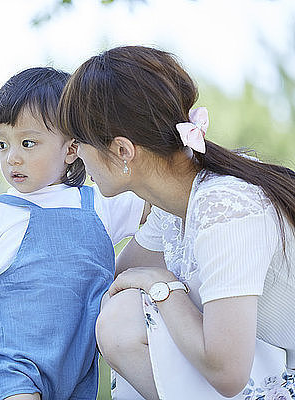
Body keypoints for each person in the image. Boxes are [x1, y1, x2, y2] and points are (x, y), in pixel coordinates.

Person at [55, 45, 295, 400]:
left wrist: (162, 287)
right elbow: (103, 287)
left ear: (122, 151)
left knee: (124, 320)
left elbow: (228, 372)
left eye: (78, 142)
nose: (72, 154)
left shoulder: (226, 206)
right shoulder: (174, 205)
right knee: (120, 312)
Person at [0, 67, 147, 400]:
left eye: (27, 143)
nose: (12, 157)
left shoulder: (99, 203)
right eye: (1, 144)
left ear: (72, 149)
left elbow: (156, 202)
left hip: (79, 367)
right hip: (13, 363)